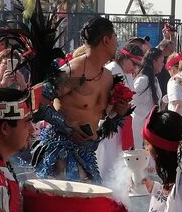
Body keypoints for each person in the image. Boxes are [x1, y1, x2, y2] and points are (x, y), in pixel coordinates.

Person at [34, 16, 123, 183]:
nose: (117, 42)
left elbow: (105, 116)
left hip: (88, 155)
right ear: (106, 39)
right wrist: (68, 128)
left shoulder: (108, 77)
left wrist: (120, 111)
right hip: (62, 155)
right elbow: (38, 103)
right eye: (115, 37)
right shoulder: (72, 72)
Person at [96, 43, 143, 178]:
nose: (135, 68)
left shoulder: (127, 73)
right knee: (106, 160)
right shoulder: (111, 70)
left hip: (121, 123)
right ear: (124, 57)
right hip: (108, 123)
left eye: (137, 66)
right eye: (134, 64)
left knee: (117, 160)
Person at [131, 47, 165, 149]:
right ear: (154, 61)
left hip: (149, 125)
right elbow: (131, 100)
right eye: (161, 61)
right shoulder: (142, 80)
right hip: (139, 126)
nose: (163, 64)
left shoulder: (154, 79)